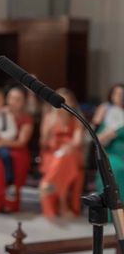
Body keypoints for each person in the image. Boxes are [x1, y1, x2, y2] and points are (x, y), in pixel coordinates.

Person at [39, 88, 84, 218]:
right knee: (61, 161)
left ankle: (47, 184)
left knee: (65, 158)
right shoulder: (49, 117)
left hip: (71, 151)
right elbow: (43, 143)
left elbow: (77, 141)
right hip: (52, 153)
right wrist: (50, 127)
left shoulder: (76, 119)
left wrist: (66, 148)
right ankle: (63, 204)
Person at [95, 84, 124, 221]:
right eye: (118, 94)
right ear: (112, 97)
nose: (121, 97)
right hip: (113, 155)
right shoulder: (108, 117)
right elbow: (99, 140)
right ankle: (115, 215)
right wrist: (111, 133)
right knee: (116, 169)